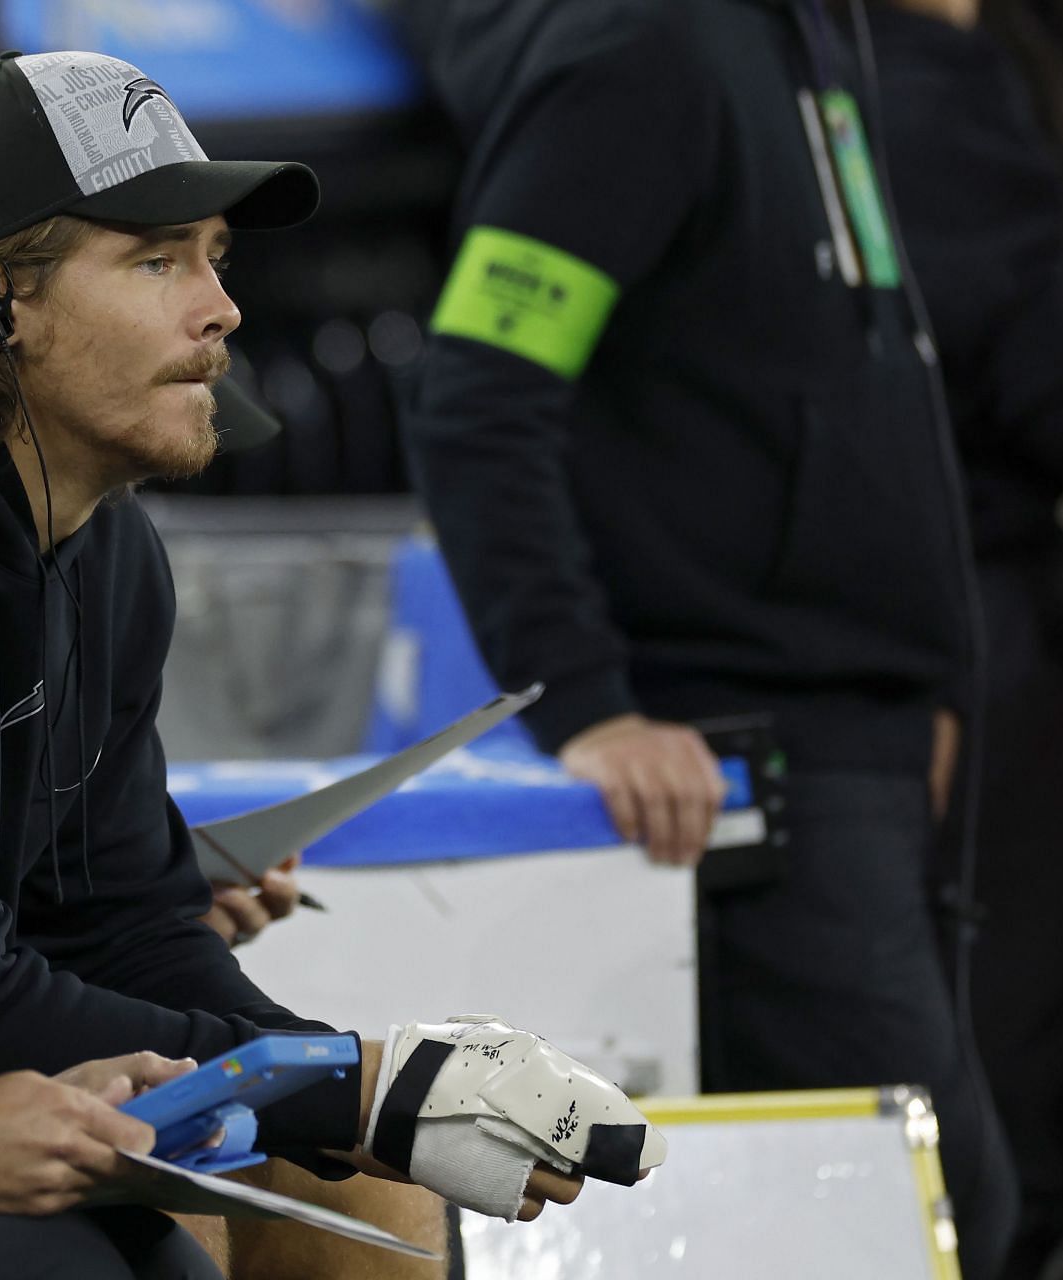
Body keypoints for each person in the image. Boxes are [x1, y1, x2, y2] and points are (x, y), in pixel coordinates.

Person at [0, 50, 611, 1279]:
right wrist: (337, 1083)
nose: (222, 311)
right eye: (158, 261)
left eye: (215, 256)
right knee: (157, 1231)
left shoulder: (102, 544)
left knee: (355, 1191)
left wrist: (368, 1093)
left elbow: (128, 920)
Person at [394, 2, 1017, 1274]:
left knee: (952, 1208)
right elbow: (478, 393)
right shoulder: (645, 47)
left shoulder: (807, 36)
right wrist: (589, 701)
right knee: (912, 1219)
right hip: (754, 767)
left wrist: (922, 695)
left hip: (862, 744)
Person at [867, 1, 1063, 1272]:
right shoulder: (945, 90)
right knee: (1004, 1029)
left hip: (922, 616)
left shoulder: (821, 73)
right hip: (977, 617)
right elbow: (1045, 371)